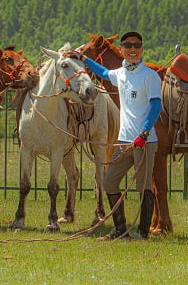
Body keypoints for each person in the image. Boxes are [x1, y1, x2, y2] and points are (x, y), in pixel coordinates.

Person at [69, 31, 162, 240]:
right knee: (110, 182)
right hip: (124, 141)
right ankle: (121, 230)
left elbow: (156, 106)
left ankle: (142, 232)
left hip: (144, 141)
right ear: (121, 50)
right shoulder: (120, 74)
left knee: (143, 186)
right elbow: (102, 72)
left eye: (136, 45)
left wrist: (145, 132)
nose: (132, 49)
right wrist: (83, 58)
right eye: (128, 46)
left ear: (142, 49)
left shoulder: (150, 76)